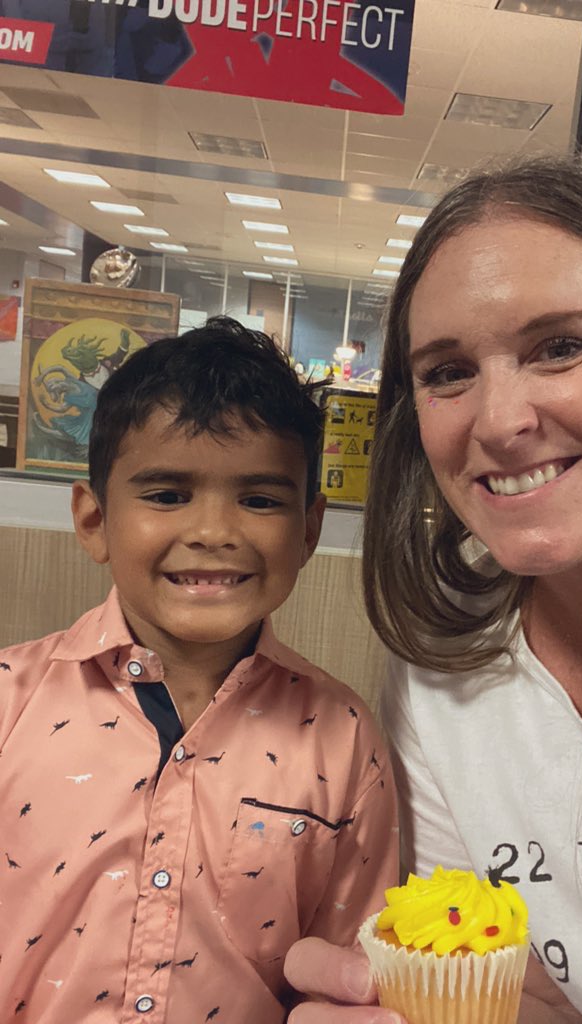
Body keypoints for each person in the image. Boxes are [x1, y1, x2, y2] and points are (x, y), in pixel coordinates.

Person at [283, 157, 582, 1023]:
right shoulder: (445, 664)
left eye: (561, 347)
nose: (500, 422)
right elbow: (527, 999)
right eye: (446, 372)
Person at [0, 317, 398, 1023]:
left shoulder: (341, 739)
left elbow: (348, 973)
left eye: (260, 499)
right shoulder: (9, 701)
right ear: (93, 520)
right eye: (166, 494)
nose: (214, 531)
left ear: (308, 529)